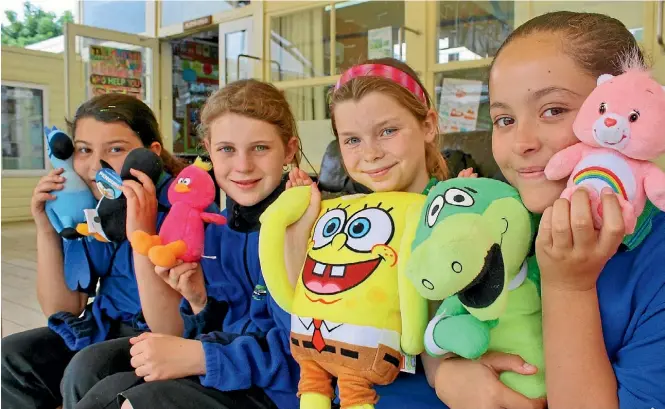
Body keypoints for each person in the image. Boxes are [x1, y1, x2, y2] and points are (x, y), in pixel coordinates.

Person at [428, 11, 665, 409]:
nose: (521, 142)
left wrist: (568, 285)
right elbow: (441, 324)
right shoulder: (498, 221)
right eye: (504, 119)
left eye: (553, 110)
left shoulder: (655, 264)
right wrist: (446, 374)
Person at [72, 79, 302, 409]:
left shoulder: (305, 228)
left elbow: (307, 354)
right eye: (227, 149)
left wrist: (203, 356)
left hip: (278, 392)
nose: (243, 165)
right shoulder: (217, 229)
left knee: (143, 401)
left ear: (289, 150)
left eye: (260, 148)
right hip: (231, 371)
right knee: (90, 373)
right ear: (207, 149)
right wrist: (199, 301)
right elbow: (216, 328)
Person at [282, 57, 475, 409]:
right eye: (352, 140)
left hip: (427, 392)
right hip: (341, 389)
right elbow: (309, 305)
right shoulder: (339, 218)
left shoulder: (457, 208)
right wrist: (300, 228)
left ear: (428, 125)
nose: (370, 153)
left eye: (388, 131)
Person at [1, 94, 184, 409]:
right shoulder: (93, 209)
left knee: (86, 369)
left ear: (150, 153)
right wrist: (47, 228)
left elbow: (172, 327)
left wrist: (140, 230)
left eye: (115, 149)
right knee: (11, 357)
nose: (93, 166)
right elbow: (64, 307)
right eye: (84, 150)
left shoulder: (183, 209)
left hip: (160, 337)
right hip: (105, 326)